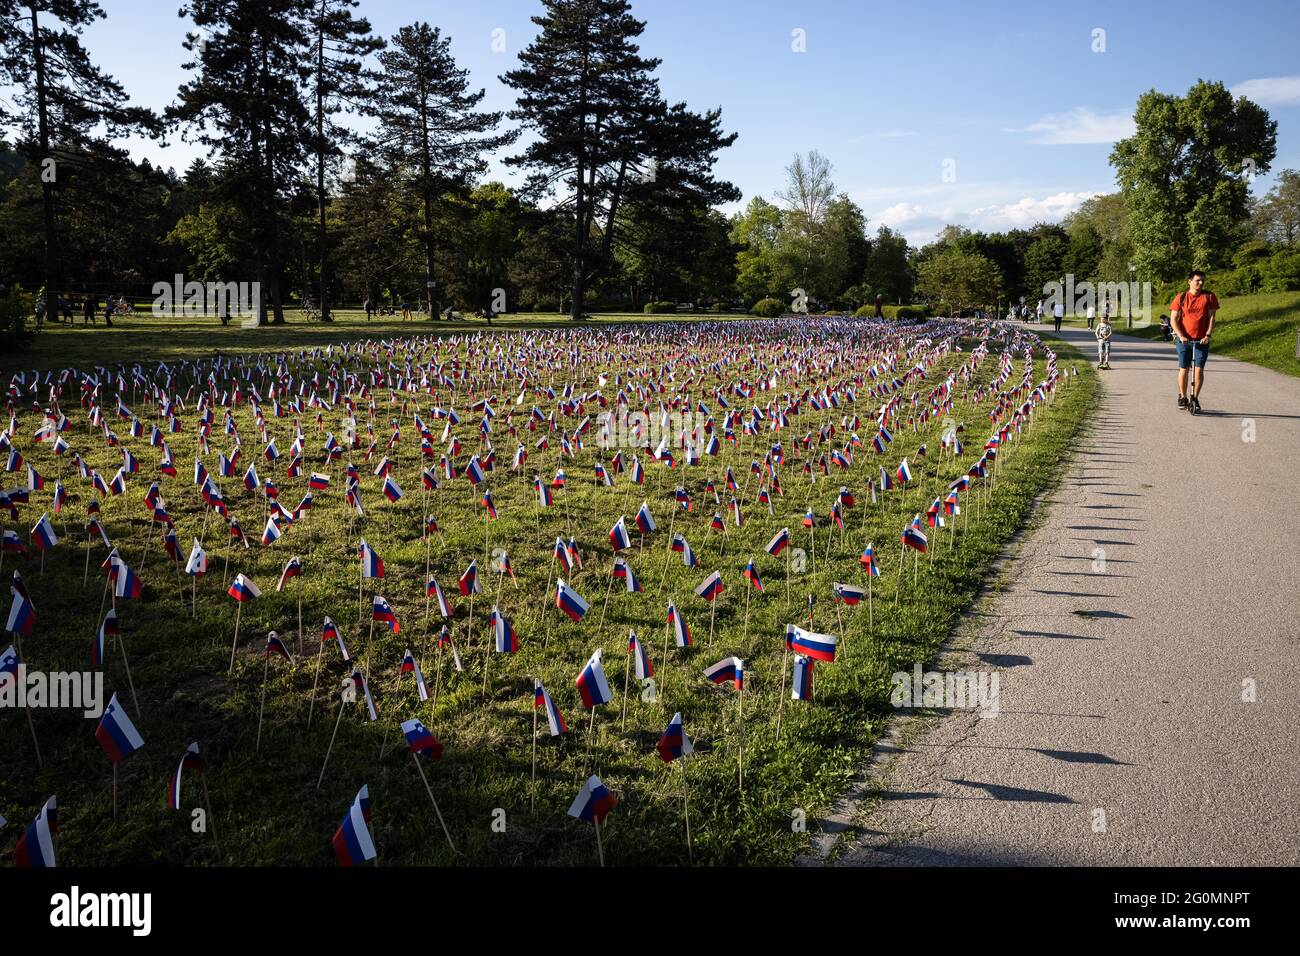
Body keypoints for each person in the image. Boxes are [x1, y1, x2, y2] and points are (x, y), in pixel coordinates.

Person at [1169, 270, 1218, 414]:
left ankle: (1195, 398)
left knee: (1199, 370)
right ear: (1189, 281)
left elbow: (1211, 318)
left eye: (1202, 280)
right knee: (1184, 368)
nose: (1200, 283)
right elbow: (1173, 319)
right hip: (1184, 340)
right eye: (1197, 280)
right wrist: (1181, 335)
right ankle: (1183, 396)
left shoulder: (1209, 297)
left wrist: (1208, 335)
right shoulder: (1181, 297)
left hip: (1202, 340)